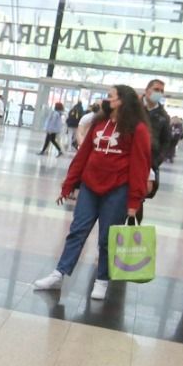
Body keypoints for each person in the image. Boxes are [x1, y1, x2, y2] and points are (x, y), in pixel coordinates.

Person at [33, 84, 151, 301]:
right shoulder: (99, 123)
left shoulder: (137, 129)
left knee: (107, 238)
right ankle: (59, 273)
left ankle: (102, 280)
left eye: (110, 96)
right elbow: (83, 155)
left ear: (122, 101)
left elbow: (140, 166)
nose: (106, 99)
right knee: (77, 230)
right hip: (90, 186)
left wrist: (135, 200)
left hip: (117, 190)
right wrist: (69, 184)